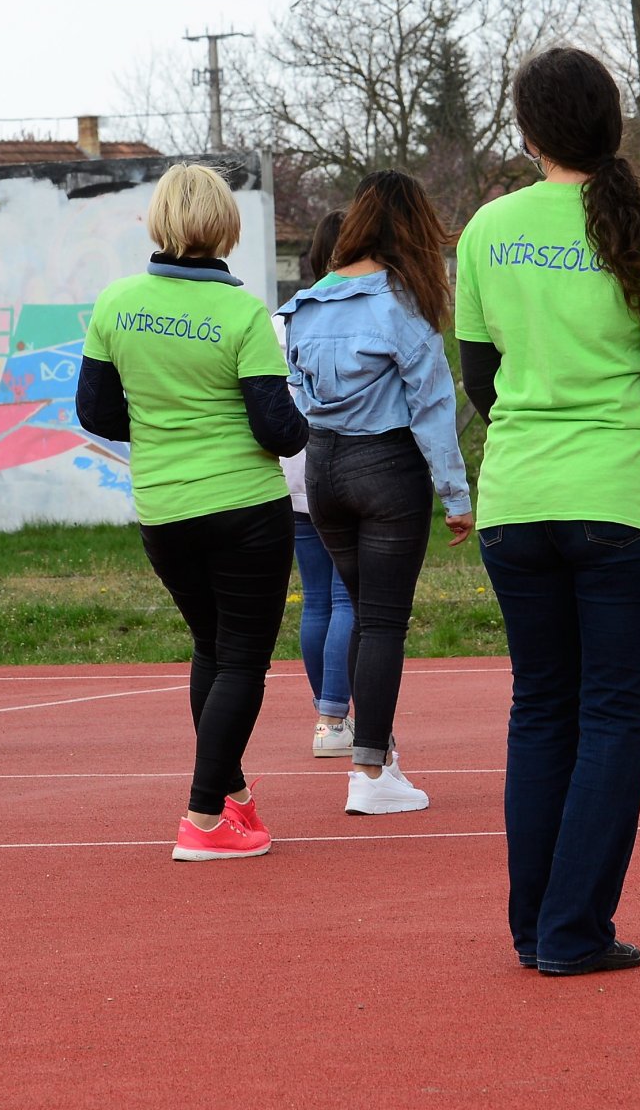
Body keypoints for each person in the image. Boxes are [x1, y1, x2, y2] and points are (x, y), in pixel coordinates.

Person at [456, 47, 640, 976]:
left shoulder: (487, 228)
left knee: (540, 711)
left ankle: (537, 927)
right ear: (614, 125)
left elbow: (479, 375)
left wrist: (532, 435)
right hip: (617, 494)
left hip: (517, 495)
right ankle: (573, 930)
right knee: (610, 715)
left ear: (526, 134)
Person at [76, 163, 308, 861]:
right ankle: (203, 818)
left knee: (212, 649)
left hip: (164, 509)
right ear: (224, 226)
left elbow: (94, 411)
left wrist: (161, 425)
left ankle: (230, 795)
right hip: (244, 508)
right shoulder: (241, 312)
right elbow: (278, 431)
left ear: (158, 221)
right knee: (241, 659)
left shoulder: (116, 303)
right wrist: (306, 419)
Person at [281, 172, 472, 815]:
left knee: (363, 611)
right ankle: (369, 772)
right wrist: (455, 493)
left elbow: (300, 394)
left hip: (324, 468)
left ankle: (379, 752)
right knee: (384, 620)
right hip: (387, 467)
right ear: (411, 232)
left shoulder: (306, 304)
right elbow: (433, 406)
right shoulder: (402, 304)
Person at [281, 211, 357, 757]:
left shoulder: (281, 318)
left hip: (293, 468)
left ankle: (327, 721)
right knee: (350, 595)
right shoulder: (365, 311)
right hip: (348, 463)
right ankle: (335, 716)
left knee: (316, 600)